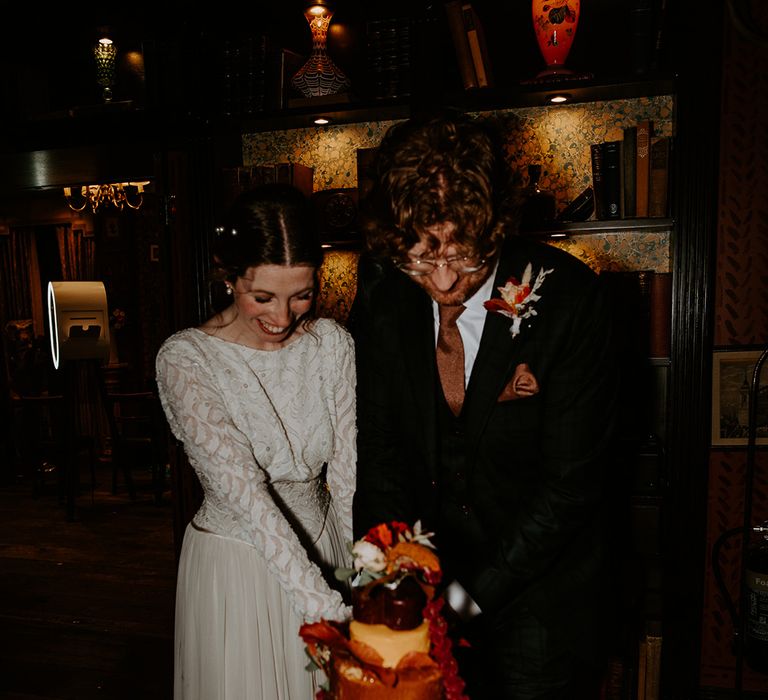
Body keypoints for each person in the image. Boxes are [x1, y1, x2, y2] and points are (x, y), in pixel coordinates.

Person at [350, 113, 621, 699]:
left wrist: (469, 597)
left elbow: (570, 488)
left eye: (465, 254)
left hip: (540, 599)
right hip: (423, 583)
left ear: (494, 228)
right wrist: (388, 575)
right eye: (420, 257)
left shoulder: (570, 301)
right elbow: (380, 452)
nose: (444, 279)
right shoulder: (383, 295)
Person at [155, 183, 356, 700]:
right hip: (239, 562)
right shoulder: (186, 359)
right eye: (262, 296)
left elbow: (350, 472)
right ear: (227, 276)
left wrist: (361, 577)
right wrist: (328, 611)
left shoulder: (331, 343)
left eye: (302, 294)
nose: (284, 317)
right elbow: (244, 496)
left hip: (327, 547)